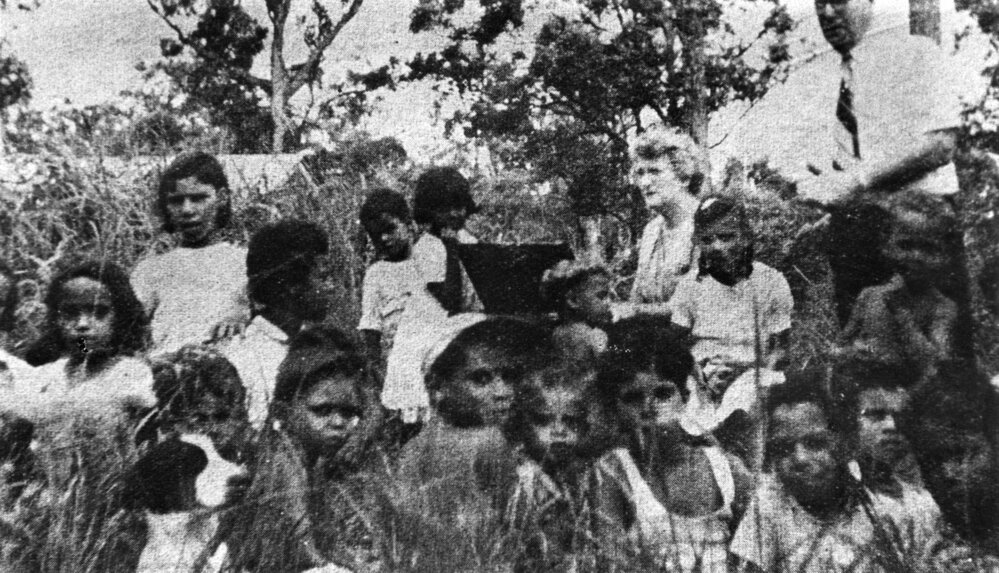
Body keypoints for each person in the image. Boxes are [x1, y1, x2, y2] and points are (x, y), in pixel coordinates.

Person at [788, 0, 974, 325]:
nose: (828, 13)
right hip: (855, 233)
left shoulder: (915, 52)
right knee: (861, 343)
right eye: (820, 3)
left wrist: (860, 180)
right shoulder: (828, 74)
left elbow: (940, 144)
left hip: (918, 229)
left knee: (934, 346)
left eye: (839, 1)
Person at [731, 374, 940, 573]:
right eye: (784, 449)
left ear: (844, 445)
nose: (800, 459)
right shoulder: (770, 508)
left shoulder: (891, 507)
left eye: (816, 444)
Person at [386, 315, 546, 572]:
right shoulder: (488, 442)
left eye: (508, 377)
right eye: (481, 379)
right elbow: (529, 541)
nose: (502, 392)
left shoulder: (411, 449)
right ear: (437, 387)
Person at [228, 326, 378, 572]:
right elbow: (306, 553)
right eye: (323, 410)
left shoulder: (314, 461)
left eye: (349, 413)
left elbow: (328, 544)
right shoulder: (281, 464)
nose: (339, 423)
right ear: (283, 412)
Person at [668, 196, 792, 461]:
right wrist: (697, 371)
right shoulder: (690, 286)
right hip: (704, 374)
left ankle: (732, 449)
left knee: (752, 394)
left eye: (726, 237)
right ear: (697, 242)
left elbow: (781, 351)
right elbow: (673, 345)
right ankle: (701, 453)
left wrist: (744, 368)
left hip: (751, 371)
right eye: (707, 239)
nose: (717, 246)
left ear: (745, 237)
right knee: (686, 409)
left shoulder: (771, 281)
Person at [381, 168, 483, 424]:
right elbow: (449, 300)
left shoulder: (467, 240)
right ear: (429, 211)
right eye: (446, 208)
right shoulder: (428, 247)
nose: (455, 214)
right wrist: (451, 248)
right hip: (432, 331)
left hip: (462, 326)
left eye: (460, 206)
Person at [217, 220, 331, 431]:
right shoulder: (243, 356)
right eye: (323, 277)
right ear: (292, 286)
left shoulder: (316, 345)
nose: (331, 287)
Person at [131, 152, 250, 353]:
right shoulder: (151, 270)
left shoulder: (247, 262)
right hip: (165, 365)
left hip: (228, 362)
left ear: (221, 197)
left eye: (198, 198)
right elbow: (121, 331)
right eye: (177, 200)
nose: (187, 210)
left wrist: (245, 316)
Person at [16, 259, 153, 425]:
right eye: (70, 313)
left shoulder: (132, 375)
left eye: (99, 312)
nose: (82, 324)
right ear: (55, 319)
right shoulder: (46, 376)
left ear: (120, 317)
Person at [840, 192, 964, 377]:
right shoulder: (869, 296)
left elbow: (934, 367)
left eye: (929, 248)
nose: (916, 256)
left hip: (909, 390)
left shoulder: (942, 308)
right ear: (886, 246)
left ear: (945, 256)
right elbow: (842, 344)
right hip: (865, 382)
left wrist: (903, 316)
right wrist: (850, 352)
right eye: (905, 245)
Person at [504, 358, 601, 572]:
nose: (558, 430)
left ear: (585, 425)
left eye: (571, 420)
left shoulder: (589, 472)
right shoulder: (520, 477)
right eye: (543, 420)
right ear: (521, 424)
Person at [617, 125, 706, 319]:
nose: (645, 182)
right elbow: (637, 297)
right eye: (640, 173)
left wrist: (634, 311)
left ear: (684, 177)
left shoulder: (707, 224)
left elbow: (693, 306)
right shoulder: (652, 230)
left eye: (655, 171)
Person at [831, 358, 924, 490]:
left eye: (900, 416)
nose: (891, 425)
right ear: (850, 420)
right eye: (875, 415)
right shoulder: (842, 486)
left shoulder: (924, 482)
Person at [357, 188, 419, 384]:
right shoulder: (376, 274)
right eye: (376, 235)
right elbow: (371, 331)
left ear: (407, 223)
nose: (383, 238)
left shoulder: (430, 262)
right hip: (400, 374)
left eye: (389, 229)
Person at [540, 259, 613, 363]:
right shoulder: (596, 336)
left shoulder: (555, 332)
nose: (608, 303)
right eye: (601, 296)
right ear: (573, 300)